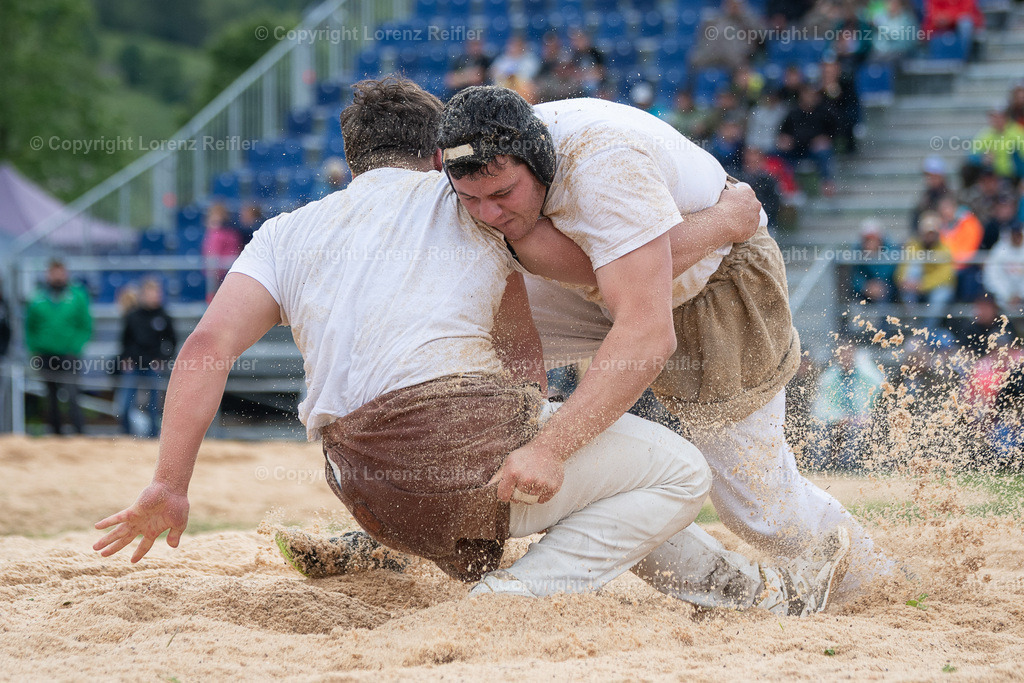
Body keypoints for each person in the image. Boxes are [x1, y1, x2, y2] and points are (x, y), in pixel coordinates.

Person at [93, 77, 850, 614]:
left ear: (352, 159)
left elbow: (203, 346)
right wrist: (721, 222)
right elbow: (603, 290)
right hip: (449, 456)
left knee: (592, 473)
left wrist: (169, 481)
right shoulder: (469, 205)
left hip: (355, 481)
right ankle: (511, 597)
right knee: (670, 472)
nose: (484, 204)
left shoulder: (290, 230)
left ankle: (743, 595)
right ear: (436, 159)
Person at [436, 86, 886, 601]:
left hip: (711, 287)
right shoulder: (471, 149)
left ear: (538, 163)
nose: (487, 213)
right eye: (470, 198)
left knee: (759, 506)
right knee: (465, 314)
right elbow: (601, 271)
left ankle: (874, 583)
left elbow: (646, 333)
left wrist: (550, 448)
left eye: (502, 195)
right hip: (625, 282)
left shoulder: (604, 170)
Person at [24, 260, 92, 435]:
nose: (57, 276)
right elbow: (30, 328)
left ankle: (79, 433)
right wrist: (35, 349)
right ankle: (56, 435)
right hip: (45, 354)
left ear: (66, 273)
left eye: (60, 272)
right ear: (48, 274)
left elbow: (85, 325)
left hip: (69, 355)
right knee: (50, 396)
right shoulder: (37, 298)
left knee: (72, 393)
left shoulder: (77, 296)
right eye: (53, 272)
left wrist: (75, 347)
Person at [810, 343, 886, 470]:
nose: (846, 357)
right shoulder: (829, 378)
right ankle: (819, 466)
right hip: (835, 418)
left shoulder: (864, 374)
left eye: (849, 353)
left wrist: (859, 415)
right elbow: (823, 407)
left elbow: (879, 384)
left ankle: (849, 466)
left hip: (859, 416)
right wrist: (840, 417)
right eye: (843, 354)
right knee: (821, 429)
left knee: (856, 430)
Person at [118, 278, 177, 438]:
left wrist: (163, 359)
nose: (155, 296)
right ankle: (126, 435)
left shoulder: (164, 316)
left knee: (154, 405)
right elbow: (125, 341)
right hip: (134, 365)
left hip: (154, 366)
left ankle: (153, 436)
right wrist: (126, 359)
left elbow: (172, 342)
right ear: (144, 295)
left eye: (157, 293)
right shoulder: (133, 316)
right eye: (152, 293)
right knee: (124, 404)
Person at [896, 212, 956, 330]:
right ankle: (913, 327)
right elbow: (903, 269)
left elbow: (946, 276)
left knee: (940, 297)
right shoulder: (913, 245)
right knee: (911, 275)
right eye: (927, 233)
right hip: (916, 286)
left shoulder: (944, 248)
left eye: (932, 233)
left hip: (933, 286)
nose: (929, 236)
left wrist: (922, 285)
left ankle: (924, 332)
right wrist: (903, 281)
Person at [778, 84, 839, 196]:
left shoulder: (824, 112)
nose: (809, 97)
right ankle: (787, 185)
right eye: (807, 94)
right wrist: (785, 140)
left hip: (814, 150)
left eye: (812, 95)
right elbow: (783, 133)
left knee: (824, 152)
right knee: (777, 153)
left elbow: (833, 132)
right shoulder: (793, 112)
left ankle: (827, 183)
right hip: (796, 148)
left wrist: (826, 139)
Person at [983, 224, 1024, 314]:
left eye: (1018, 235)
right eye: (1014, 235)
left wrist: (1020, 294)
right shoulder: (999, 251)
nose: (1016, 238)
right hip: (1001, 297)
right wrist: (1006, 295)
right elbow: (992, 276)